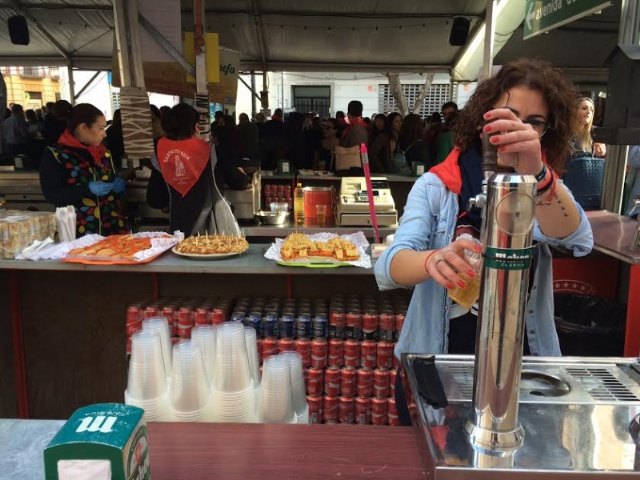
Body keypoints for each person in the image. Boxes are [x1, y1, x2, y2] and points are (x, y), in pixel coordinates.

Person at [374, 58, 594, 424]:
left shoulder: (541, 188)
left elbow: (576, 237)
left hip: (521, 368)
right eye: (509, 116)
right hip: (439, 359)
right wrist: (433, 260)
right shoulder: (436, 186)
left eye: (534, 122)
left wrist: (536, 174)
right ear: (483, 120)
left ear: (546, 131)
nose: (518, 129)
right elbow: (389, 266)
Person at [146, 103, 247, 235]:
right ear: (195, 127)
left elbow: (155, 199)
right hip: (212, 234)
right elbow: (239, 182)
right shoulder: (211, 151)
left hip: (179, 233)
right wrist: (242, 174)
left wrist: (168, 203)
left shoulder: (161, 153)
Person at [39, 103, 127, 236]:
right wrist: (87, 189)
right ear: (83, 127)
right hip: (79, 231)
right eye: (101, 128)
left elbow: (112, 182)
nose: (104, 134)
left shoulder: (104, 152)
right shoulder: (56, 154)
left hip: (112, 227)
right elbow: (52, 195)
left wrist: (118, 187)